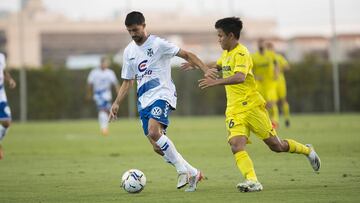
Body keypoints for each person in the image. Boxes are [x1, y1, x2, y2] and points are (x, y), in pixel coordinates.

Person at [196, 17, 321, 192]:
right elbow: (217, 66)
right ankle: (253, 181)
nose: (218, 39)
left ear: (231, 35)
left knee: (276, 146)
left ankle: (307, 150)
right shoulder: (226, 54)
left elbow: (239, 77)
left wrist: (215, 83)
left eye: (220, 36)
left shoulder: (242, 53)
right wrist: (196, 64)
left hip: (252, 107)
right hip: (234, 110)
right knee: (236, 145)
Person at [108, 11, 213, 192]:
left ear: (144, 26)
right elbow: (128, 81)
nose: (133, 34)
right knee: (157, 147)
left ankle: (181, 171)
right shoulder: (129, 51)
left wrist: (205, 69)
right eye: (129, 31)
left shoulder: (158, 44)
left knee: (154, 131)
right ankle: (193, 172)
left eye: (135, 30)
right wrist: (116, 103)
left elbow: (187, 54)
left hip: (162, 94)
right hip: (144, 101)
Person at [87, 57, 120, 136]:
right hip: (98, 94)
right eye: (104, 63)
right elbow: (89, 84)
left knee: (106, 110)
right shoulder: (94, 72)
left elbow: (115, 84)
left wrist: (119, 94)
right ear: (101, 63)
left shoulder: (110, 73)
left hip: (107, 94)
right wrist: (89, 93)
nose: (105, 64)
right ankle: (104, 129)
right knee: (102, 110)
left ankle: (106, 125)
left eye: (106, 63)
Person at [251, 39, 280, 128]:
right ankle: (265, 122)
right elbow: (250, 69)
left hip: (270, 83)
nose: (261, 45)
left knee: (271, 102)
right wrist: (255, 77)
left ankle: (275, 122)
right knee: (262, 104)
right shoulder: (253, 57)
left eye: (262, 43)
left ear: (264, 44)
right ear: (257, 44)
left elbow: (276, 64)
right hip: (259, 83)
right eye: (259, 43)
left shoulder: (270, 54)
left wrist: (276, 73)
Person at [265, 42, 291, 127]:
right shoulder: (266, 59)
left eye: (270, 48)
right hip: (271, 83)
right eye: (268, 49)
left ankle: (287, 119)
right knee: (272, 102)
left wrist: (278, 69)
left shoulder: (278, 57)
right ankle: (274, 122)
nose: (269, 50)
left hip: (280, 82)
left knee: (283, 100)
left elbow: (287, 67)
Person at [0, 52, 16, 160]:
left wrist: (9, 80)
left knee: (7, 122)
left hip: (0, 94)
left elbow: (4, 71)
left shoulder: (1, 56)